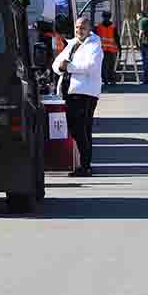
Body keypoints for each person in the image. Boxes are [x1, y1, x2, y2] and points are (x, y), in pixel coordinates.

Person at [52, 16, 105, 176]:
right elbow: (56, 63)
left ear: (89, 29)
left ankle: (85, 165)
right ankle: (83, 164)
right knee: (77, 129)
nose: (79, 30)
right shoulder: (73, 44)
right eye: (77, 27)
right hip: (70, 92)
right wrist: (62, 68)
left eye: (82, 27)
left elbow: (90, 66)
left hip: (85, 93)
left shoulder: (94, 45)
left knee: (81, 130)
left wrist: (68, 67)